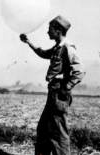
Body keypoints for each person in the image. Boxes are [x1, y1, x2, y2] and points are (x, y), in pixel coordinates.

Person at [20, 15, 85, 155]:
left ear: (58, 30)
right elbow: (43, 53)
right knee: (43, 130)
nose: (47, 32)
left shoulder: (68, 47)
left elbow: (79, 71)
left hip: (59, 96)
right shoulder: (58, 47)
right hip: (53, 95)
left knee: (58, 134)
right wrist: (29, 42)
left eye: (50, 29)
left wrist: (66, 87)